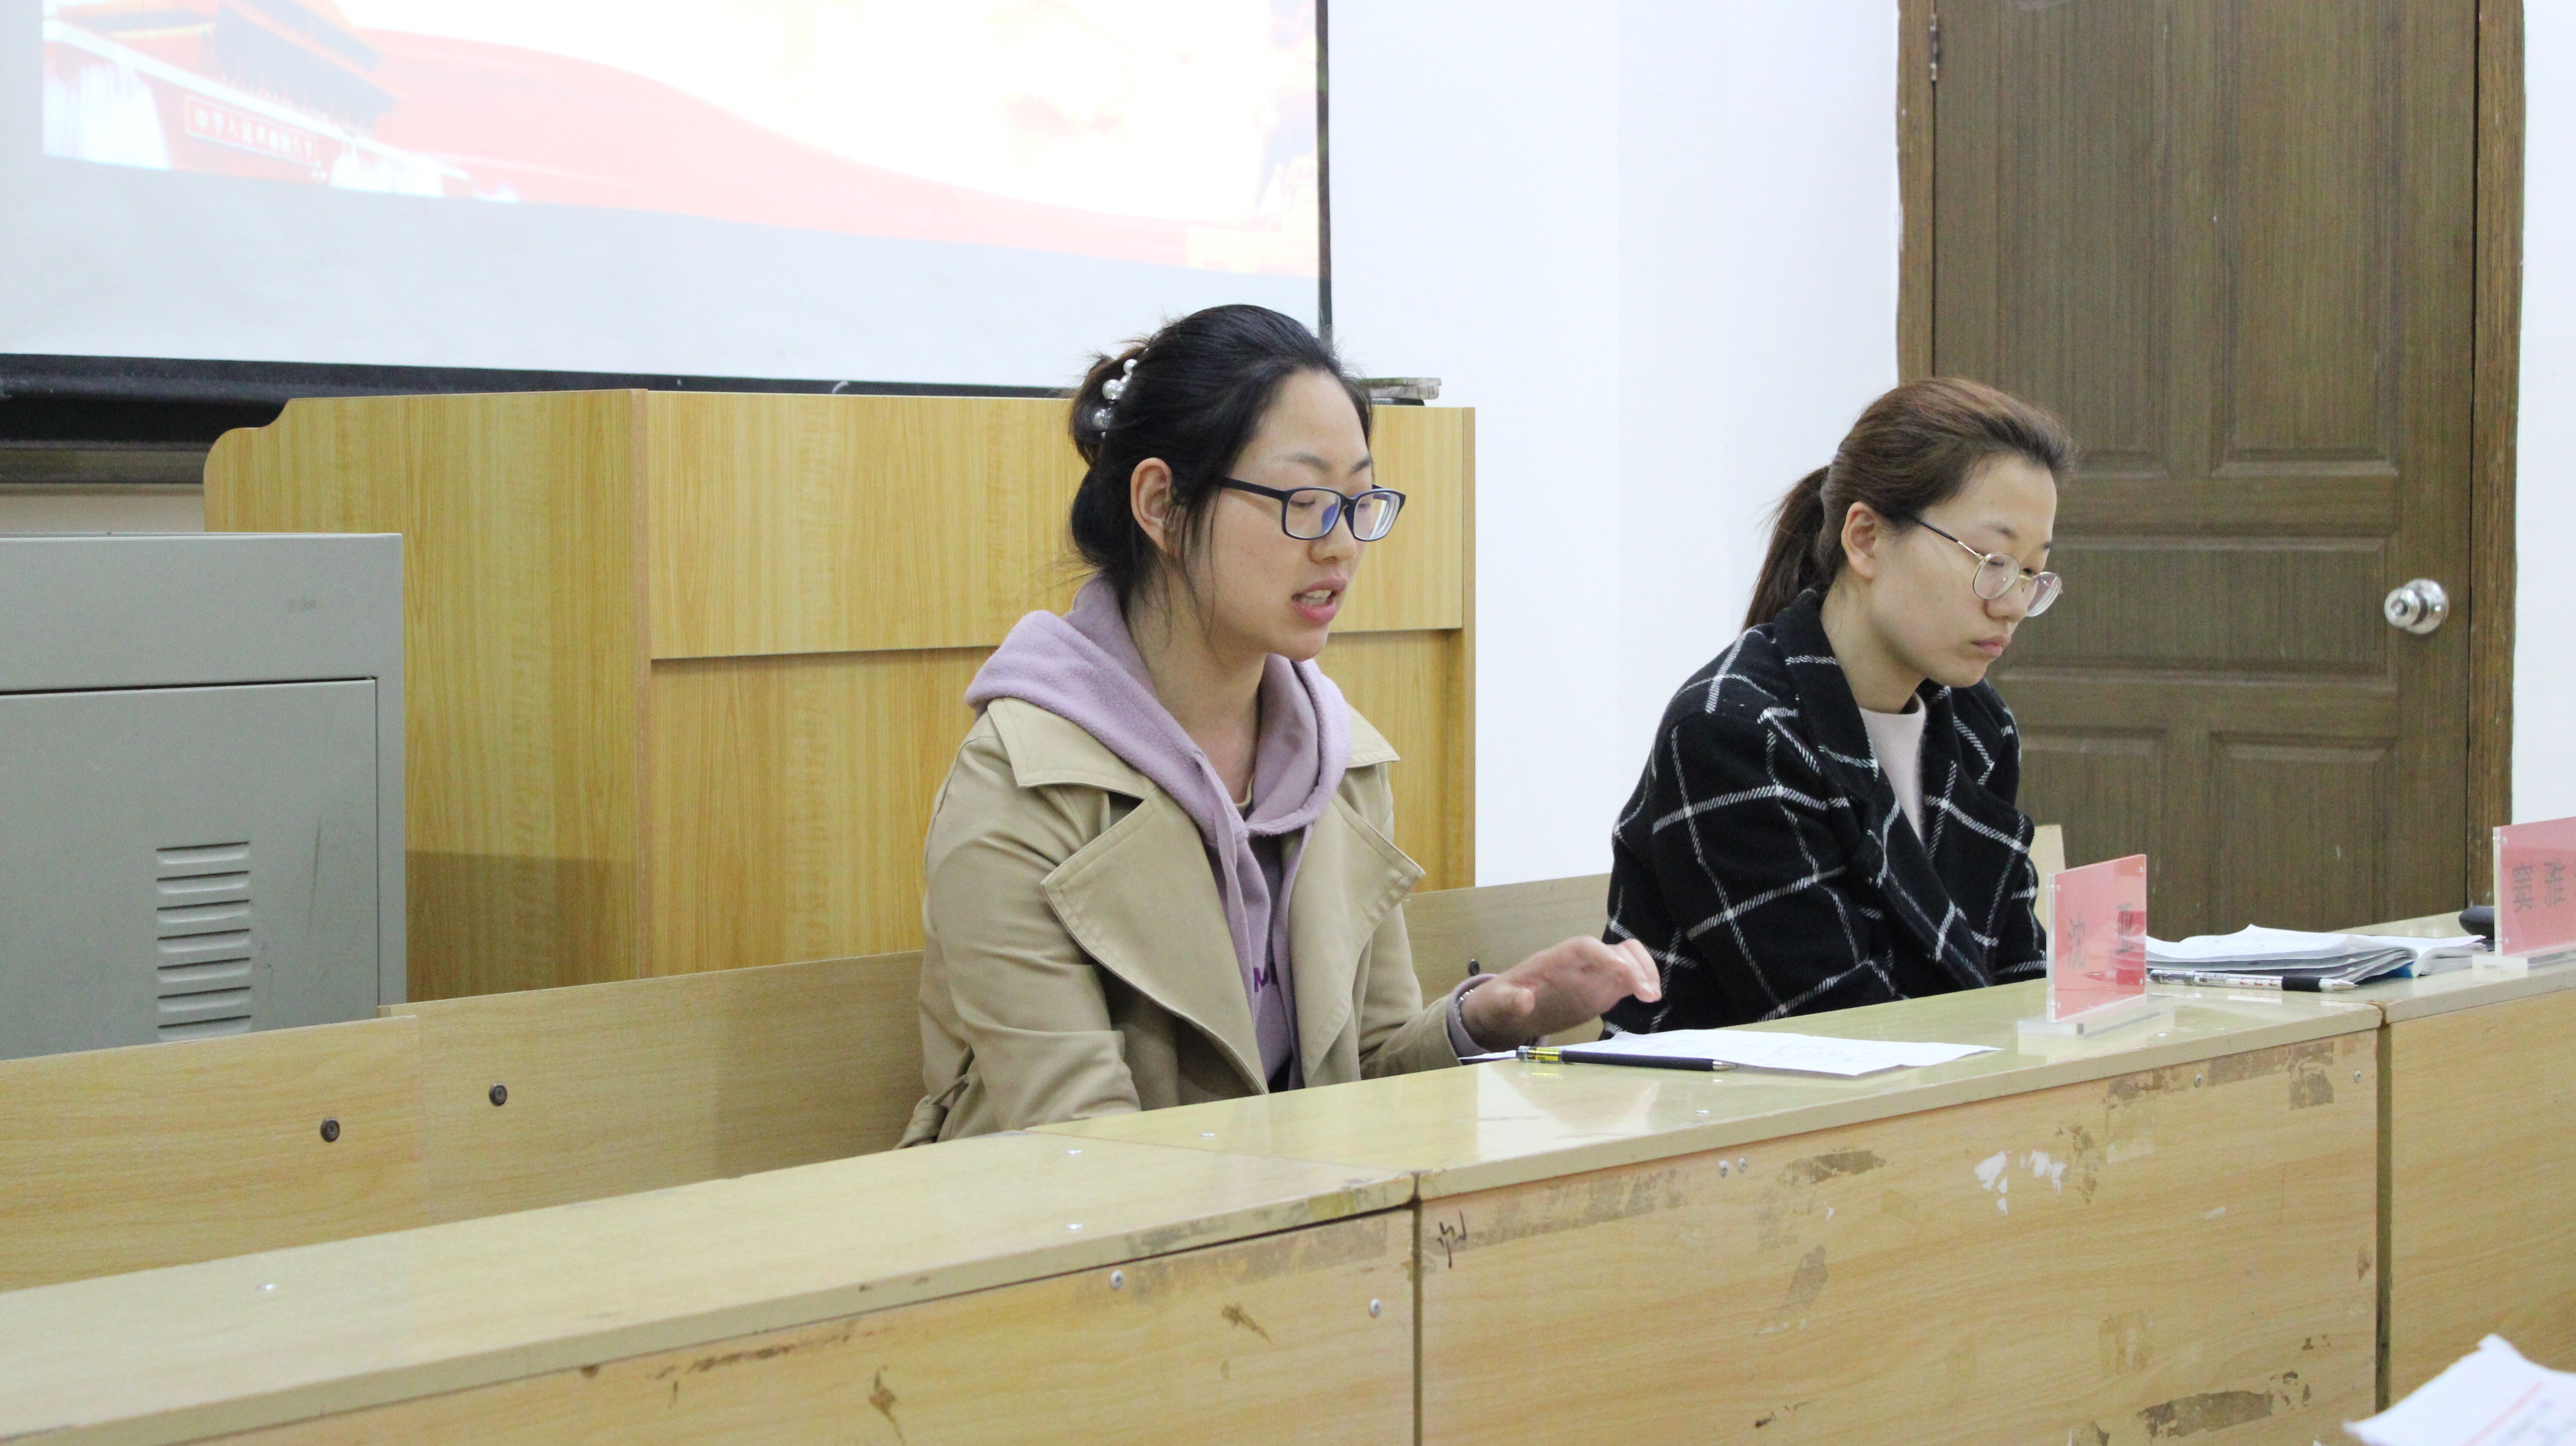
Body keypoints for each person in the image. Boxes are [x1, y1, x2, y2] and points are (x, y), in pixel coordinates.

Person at [903, 304, 1656, 1143]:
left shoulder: (1339, 762)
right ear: (1160, 503)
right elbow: (1080, 1144)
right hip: (1083, 1220)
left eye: (1359, 503)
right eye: (1305, 501)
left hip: (1305, 1212)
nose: (1341, 546)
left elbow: (1363, 1072)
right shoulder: (1020, 785)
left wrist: (1488, 1020)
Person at [1602, 377, 2070, 1033]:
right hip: (1727, 1095)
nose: (2013, 604)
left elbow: (2020, 974)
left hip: (1942, 1082)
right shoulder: (1732, 731)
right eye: (1992, 561)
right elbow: (1835, 1021)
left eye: (2030, 572)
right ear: (1866, 538)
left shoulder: (1977, 726)